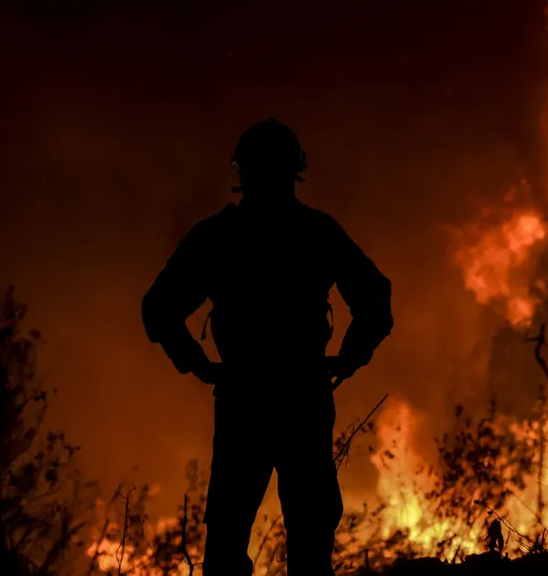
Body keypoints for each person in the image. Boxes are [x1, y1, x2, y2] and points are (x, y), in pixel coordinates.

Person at [141, 118, 393, 575]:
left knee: (230, 534)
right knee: (309, 534)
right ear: (295, 169)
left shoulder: (220, 235)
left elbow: (158, 309)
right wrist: (349, 359)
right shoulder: (316, 231)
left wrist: (200, 364)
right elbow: (376, 300)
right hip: (302, 395)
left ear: (243, 171)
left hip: (246, 397)